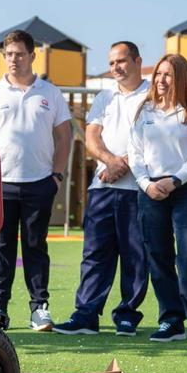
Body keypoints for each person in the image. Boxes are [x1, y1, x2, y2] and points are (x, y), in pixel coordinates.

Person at [0, 29, 72, 331]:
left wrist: (57, 175)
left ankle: (39, 308)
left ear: (32, 55)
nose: (13, 59)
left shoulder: (50, 93)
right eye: (9, 54)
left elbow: (64, 135)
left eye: (19, 54)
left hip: (40, 182)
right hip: (1, 184)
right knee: (1, 247)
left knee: (35, 246)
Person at [53, 41, 149, 337]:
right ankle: (86, 315)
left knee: (135, 254)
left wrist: (125, 165)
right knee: (94, 253)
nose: (116, 68)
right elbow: (93, 137)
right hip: (103, 186)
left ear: (136, 61)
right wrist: (110, 161)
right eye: (111, 63)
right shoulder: (104, 98)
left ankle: (127, 315)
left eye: (121, 61)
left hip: (138, 188)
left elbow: (155, 140)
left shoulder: (154, 96)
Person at [128, 53, 187, 345]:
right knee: (159, 257)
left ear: (180, 78)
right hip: (151, 191)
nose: (160, 80)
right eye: (158, 74)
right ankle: (171, 320)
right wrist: (146, 184)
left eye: (167, 75)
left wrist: (176, 179)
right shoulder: (144, 110)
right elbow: (136, 153)